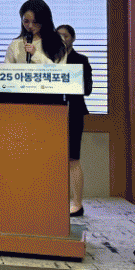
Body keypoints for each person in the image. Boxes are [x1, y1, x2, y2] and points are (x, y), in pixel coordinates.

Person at [57, 24, 93, 217]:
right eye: (58, 35)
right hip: (52, 112)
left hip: (74, 112)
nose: (62, 39)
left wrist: (70, 78)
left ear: (73, 38)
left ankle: (77, 204)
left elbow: (87, 89)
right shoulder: (49, 59)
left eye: (66, 35)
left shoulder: (81, 60)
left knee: (72, 158)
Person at [5, 0, 66, 66]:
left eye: (35, 22)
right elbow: (6, 69)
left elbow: (60, 70)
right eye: (26, 21)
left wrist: (35, 54)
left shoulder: (57, 42)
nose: (30, 26)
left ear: (44, 20)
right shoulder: (15, 44)